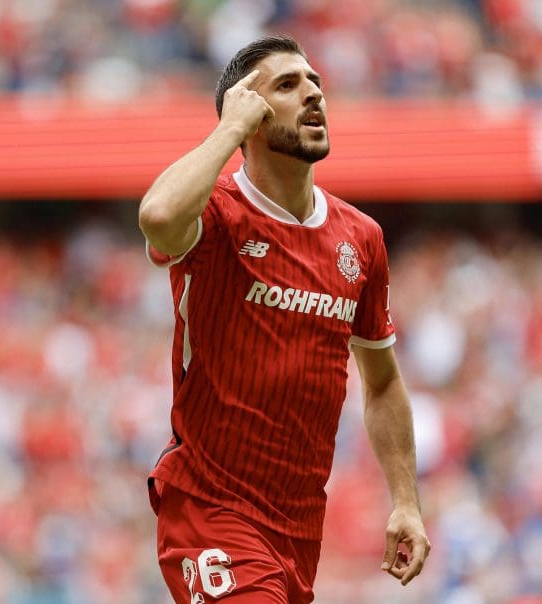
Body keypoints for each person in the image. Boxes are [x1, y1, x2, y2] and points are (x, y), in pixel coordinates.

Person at [138, 35, 430, 603]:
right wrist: (228, 130)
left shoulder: (360, 238)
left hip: (298, 528)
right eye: (288, 85)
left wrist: (406, 501)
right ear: (248, 111)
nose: (314, 94)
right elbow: (158, 215)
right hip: (209, 508)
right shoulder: (218, 213)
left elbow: (384, 380)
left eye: (315, 82)